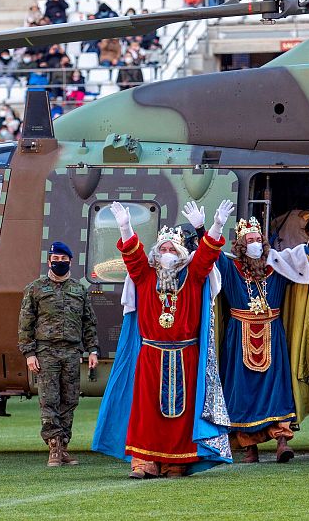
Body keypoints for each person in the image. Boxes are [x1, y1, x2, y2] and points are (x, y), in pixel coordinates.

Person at [93, 201, 233, 478]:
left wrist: (216, 226)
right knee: (146, 410)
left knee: (183, 414)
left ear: (182, 255)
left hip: (186, 355)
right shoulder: (145, 277)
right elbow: (133, 257)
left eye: (173, 250)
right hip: (151, 354)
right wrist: (125, 226)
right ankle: (144, 462)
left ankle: (175, 463)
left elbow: (206, 256)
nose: (167, 254)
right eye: (163, 250)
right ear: (155, 256)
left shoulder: (192, 278)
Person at [182, 202, 309, 463]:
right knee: (241, 392)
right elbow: (210, 254)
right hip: (239, 339)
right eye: (250, 240)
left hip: (274, 337)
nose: (255, 244)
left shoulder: (277, 266)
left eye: (258, 239)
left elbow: (306, 257)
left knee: (277, 389)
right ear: (240, 244)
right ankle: (249, 447)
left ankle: (282, 441)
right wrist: (204, 227)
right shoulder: (230, 269)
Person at [18, 241, 99, 467]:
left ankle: (63, 446)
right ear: (49, 261)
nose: (60, 263)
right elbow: (26, 323)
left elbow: (88, 323)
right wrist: (29, 353)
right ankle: (53, 446)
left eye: (64, 260)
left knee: (70, 399)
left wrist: (93, 349)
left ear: (70, 262)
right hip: (46, 352)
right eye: (56, 260)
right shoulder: (35, 289)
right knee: (49, 399)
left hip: (72, 352)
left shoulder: (79, 289)